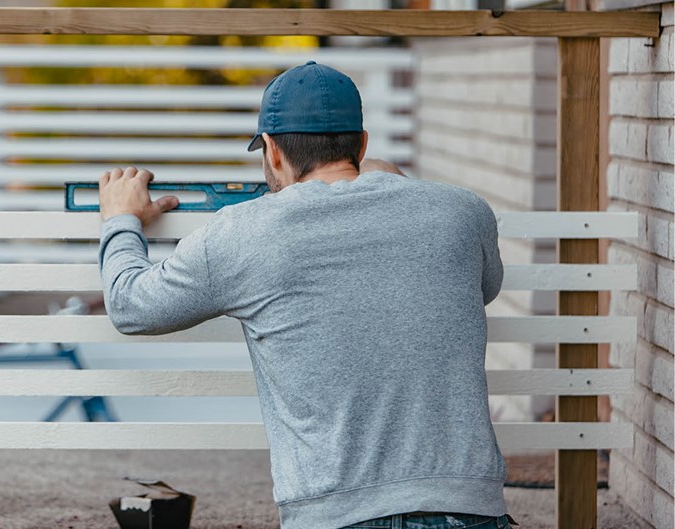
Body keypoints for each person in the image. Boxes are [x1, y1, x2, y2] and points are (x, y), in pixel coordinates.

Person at [96, 61, 518, 529]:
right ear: (361, 142)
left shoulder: (243, 233)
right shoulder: (463, 212)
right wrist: (390, 183)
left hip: (337, 515)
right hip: (471, 508)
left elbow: (129, 305)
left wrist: (120, 219)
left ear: (273, 152)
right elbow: (485, 286)